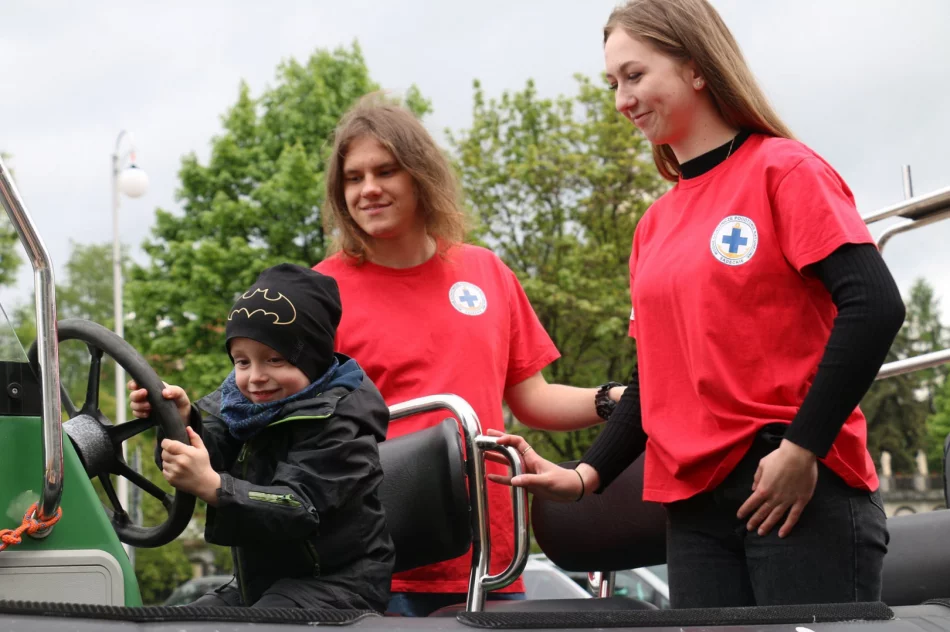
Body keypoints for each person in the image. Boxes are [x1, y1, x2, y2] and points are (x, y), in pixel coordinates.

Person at [489, 0, 905, 609]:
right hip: (693, 509)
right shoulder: (654, 225)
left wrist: (801, 448)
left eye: (635, 76)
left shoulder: (784, 170)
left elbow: (874, 305)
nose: (622, 100)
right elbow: (657, 380)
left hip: (793, 487)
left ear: (696, 68)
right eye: (612, 84)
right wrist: (584, 476)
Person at [314, 95, 627, 617]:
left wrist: (614, 398)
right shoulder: (321, 291)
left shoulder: (485, 271)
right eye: (353, 177)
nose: (368, 189)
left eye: (385, 171)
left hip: (490, 552)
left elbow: (533, 398)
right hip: (374, 556)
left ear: (419, 175)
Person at [129, 264, 394, 611]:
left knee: (262, 622)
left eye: (275, 359)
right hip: (260, 583)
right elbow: (215, 454)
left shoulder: (341, 425)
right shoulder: (242, 409)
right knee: (182, 620)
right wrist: (181, 421)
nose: (256, 377)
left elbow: (299, 507)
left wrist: (214, 487)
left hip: (337, 585)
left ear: (312, 360)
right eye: (242, 362)